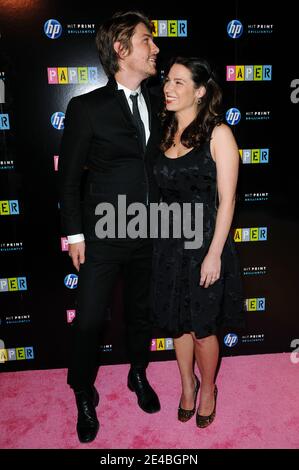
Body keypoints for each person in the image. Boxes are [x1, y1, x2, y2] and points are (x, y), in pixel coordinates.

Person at [60, 11, 161, 443]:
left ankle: (138, 373)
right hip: (101, 234)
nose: (155, 48)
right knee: (87, 321)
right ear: (121, 49)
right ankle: (83, 390)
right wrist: (76, 234)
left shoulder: (160, 100)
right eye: (145, 40)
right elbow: (67, 179)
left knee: (140, 314)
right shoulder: (87, 108)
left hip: (150, 231)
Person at [151, 57, 244, 428]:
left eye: (178, 82)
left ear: (200, 91)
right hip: (169, 244)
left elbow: (228, 200)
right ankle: (186, 385)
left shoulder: (219, 134)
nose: (168, 89)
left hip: (206, 243)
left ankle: (208, 389)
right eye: (167, 81)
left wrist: (215, 253)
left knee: (203, 327)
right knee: (178, 324)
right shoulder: (163, 131)